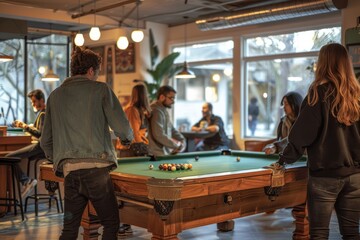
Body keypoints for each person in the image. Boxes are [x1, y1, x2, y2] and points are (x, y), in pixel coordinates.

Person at [40, 47, 134, 240]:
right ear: (91, 70)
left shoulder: (55, 96)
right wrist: (127, 139)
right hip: (96, 171)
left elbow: (45, 141)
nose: (97, 75)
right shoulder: (100, 89)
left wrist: (59, 159)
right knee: (110, 223)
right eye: (97, 72)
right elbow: (123, 129)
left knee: (69, 227)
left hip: (70, 174)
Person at [274, 43, 360, 239]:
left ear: (323, 64)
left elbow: (301, 136)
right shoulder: (357, 96)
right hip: (356, 176)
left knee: (319, 233)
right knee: (352, 233)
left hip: (324, 177)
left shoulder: (317, 94)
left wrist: (282, 161)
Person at [115, 83, 151, 236]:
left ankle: (126, 223)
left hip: (131, 151)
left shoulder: (135, 110)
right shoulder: (137, 111)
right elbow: (137, 133)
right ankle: (125, 223)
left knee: (128, 189)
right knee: (129, 189)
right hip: (134, 151)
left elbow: (135, 133)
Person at [6, 89, 47, 198]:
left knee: (9, 157)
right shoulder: (44, 113)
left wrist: (24, 126)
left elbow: (40, 134)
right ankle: (26, 181)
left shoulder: (43, 113)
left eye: (34, 101)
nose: (33, 104)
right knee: (13, 158)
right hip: (46, 149)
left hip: (41, 147)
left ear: (41, 100)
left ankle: (26, 181)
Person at [148, 85, 186, 156]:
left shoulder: (163, 110)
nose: (173, 101)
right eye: (171, 98)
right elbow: (158, 135)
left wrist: (182, 140)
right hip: (155, 155)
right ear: (162, 97)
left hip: (162, 153)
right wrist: (177, 145)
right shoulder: (156, 111)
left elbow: (172, 129)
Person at [117, 84, 151, 158]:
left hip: (136, 148)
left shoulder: (140, 111)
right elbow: (134, 132)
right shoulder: (132, 110)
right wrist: (142, 148)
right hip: (131, 150)